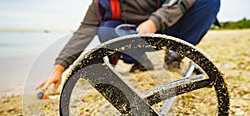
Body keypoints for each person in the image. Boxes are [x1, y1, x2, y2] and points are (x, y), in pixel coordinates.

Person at [36, 0, 220, 93]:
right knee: (106, 30)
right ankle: (139, 60)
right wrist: (59, 67)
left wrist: (154, 22)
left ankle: (175, 54)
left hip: (168, 27)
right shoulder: (101, 3)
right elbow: (84, 31)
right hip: (133, 35)